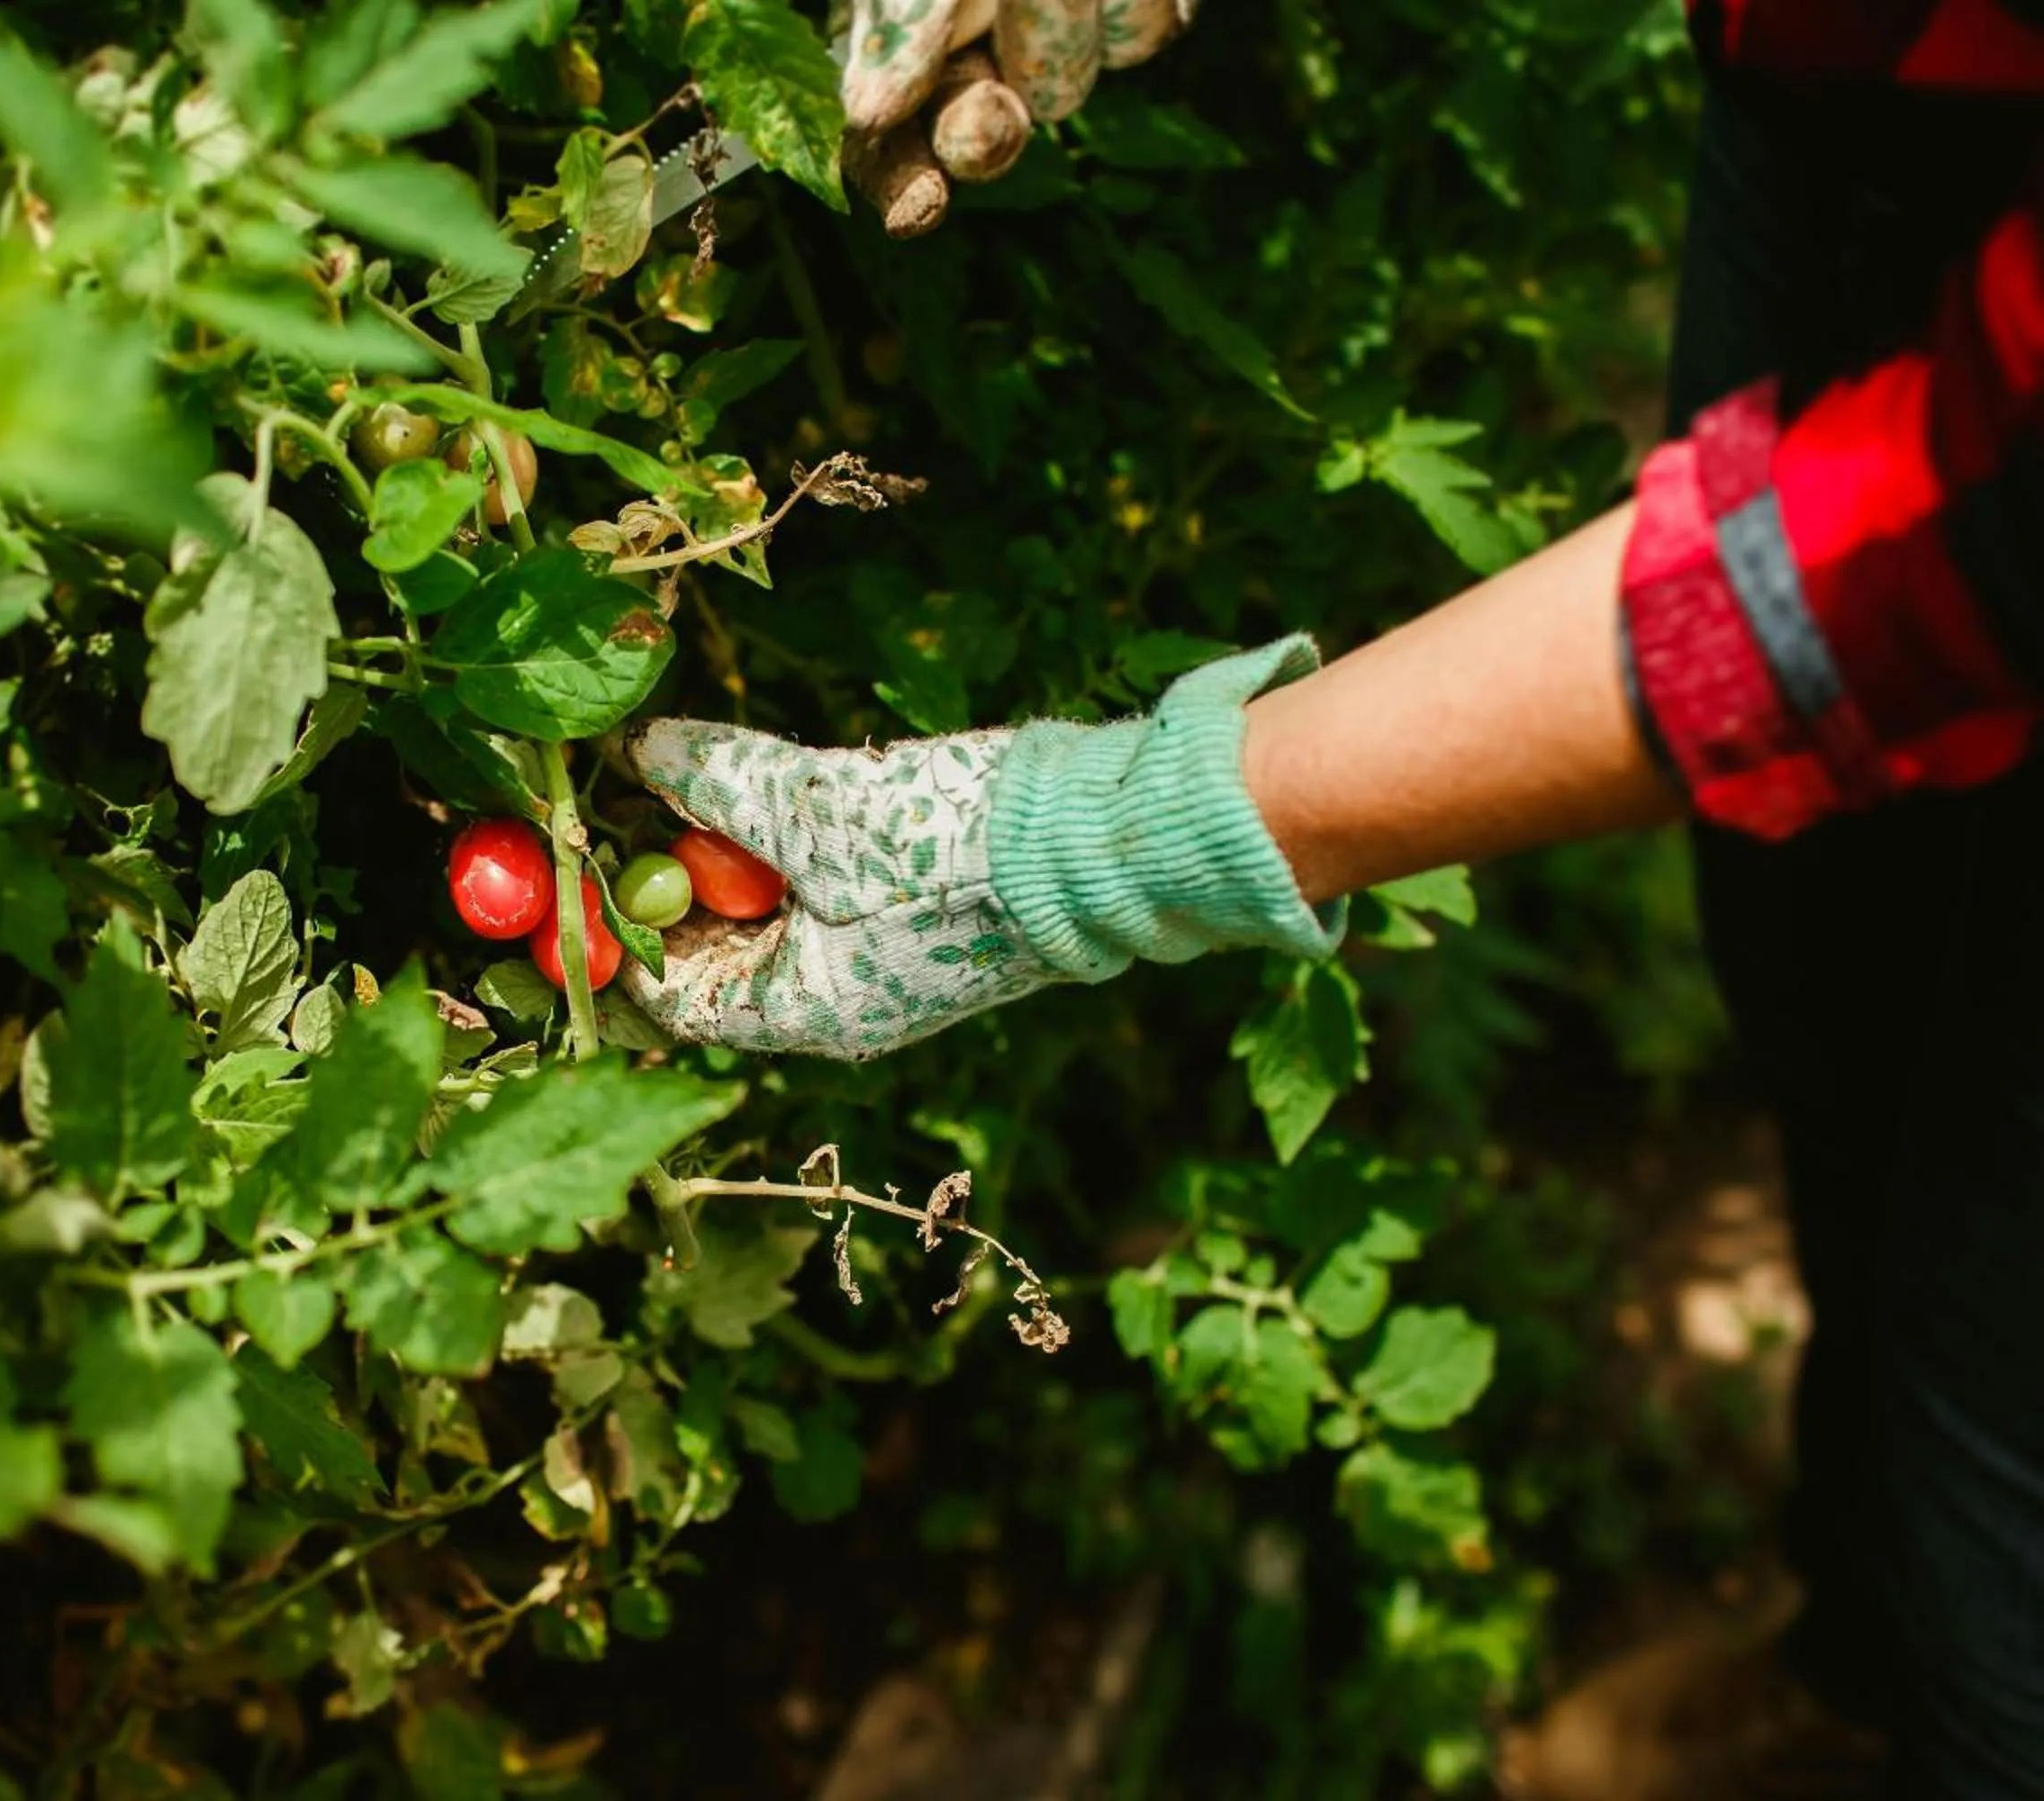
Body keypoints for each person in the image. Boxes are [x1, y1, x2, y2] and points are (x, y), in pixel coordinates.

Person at [626, 2, 2044, 1794]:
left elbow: (1909, 560)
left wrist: (1101, 841)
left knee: (2005, 1405)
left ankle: (1963, 1686)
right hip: (1869, 57)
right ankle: (1856, 1663)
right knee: (1832, 982)